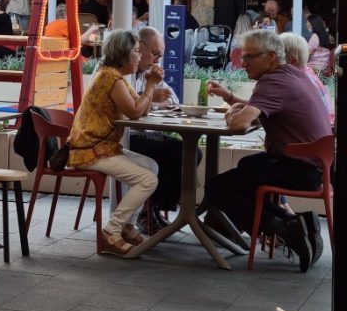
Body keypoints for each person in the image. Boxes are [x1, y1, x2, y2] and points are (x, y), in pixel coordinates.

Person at [204, 30, 332, 273]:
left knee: (217, 187)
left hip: (300, 169)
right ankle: (294, 224)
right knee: (247, 168)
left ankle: (289, 227)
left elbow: (240, 123)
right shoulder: (292, 74)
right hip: (316, 165)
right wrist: (234, 101)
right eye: (243, 56)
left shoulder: (273, 81)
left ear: (272, 57)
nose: (243, 63)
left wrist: (233, 113)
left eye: (250, 57)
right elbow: (262, 110)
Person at [68, 29, 160, 256]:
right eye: (137, 51)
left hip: (102, 147)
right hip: (90, 150)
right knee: (147, 179)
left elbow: (139, 106)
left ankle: (126, 226)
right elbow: (135, 113)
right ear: (123, 54)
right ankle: (111, 231)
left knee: (151, 166)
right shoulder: (110, 78)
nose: (140, 56)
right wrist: (150, 86)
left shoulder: (113, 75)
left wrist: (150, 85)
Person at [126, 27, 199, 230]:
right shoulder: (123, 72)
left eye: (160, 55)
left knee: (191, 153)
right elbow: (131, 109)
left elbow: (173, 99)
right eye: (155, 53)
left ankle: (154, 207)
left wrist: (157, 96)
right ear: (139, 47)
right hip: (122, 137)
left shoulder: (146, 72)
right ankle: (148, 212)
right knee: (178, 151)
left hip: (142, 133)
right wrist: (152, 96)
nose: (157, 59)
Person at [280, 32, 334, 125]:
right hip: (326, 126)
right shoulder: (307, 72)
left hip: (312, 133)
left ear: (292, 60)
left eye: (277, 55)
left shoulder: (293, 80)